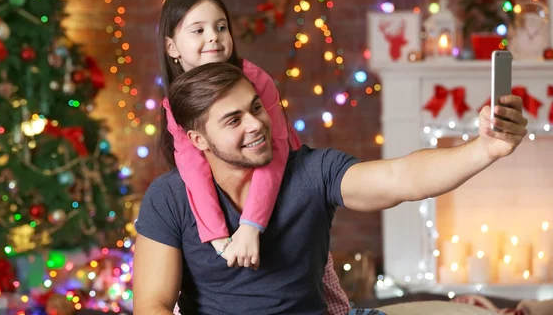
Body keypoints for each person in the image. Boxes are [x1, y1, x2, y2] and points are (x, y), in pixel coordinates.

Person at [134, 62, 528, 314]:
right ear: (199, 140)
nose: (255, 124)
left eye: (255, 108)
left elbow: (401, 178)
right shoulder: (169, 198)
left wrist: (483, 149)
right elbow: (153, 304)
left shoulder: (311, 170)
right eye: (232, 120)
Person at [156, 0, 350, 313]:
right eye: (198, 30)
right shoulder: (175, 106)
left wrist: (251, 226)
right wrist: (217, 236)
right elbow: (193, 170)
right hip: (225, 212)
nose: (214, 38)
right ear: (172, 47)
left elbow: (273, 155)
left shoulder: (255, 80)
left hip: (280, 195)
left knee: (322, 283)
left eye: (221, 27)